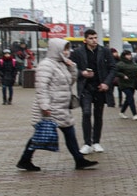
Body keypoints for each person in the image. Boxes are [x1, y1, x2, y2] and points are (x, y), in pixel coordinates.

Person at [16, 38, 98, 171]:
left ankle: (78, 160)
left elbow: (70, 81)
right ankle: (25, 160)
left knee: (67, 132)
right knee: (42, 134)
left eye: (67, 49)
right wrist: (45, 106)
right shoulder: (46, 65)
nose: (67, 52)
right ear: (57, 49)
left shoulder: (61, 64)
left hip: (61, 106)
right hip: (51, 107)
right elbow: (41, 87)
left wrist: (72, 67)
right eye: (65, 49)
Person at [70, 29, 116, 154]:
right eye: (91, 38)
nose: (94, 40)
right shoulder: (78, 52)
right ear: (85, 40)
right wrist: (82, 73)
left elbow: (113, 68)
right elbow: (72, 68)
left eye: (95, 37)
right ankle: (87, 143)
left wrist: (106, 83)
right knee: (86, 113)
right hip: (85, 88)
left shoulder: (105, 51)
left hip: (100, 87)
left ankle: (96, 142)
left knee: (98, 115)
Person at [113, 49, 137, 120]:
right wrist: (123, 75)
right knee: (131, 98)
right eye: (127, 55)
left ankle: (122, 112)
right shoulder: (120, 64)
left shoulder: (133, 63)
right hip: (124, 84)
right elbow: (115, 72)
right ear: (124, 56)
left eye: (130, 55)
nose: (129, 56)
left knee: (128, 99)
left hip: (133, 83)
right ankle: (135, 114)